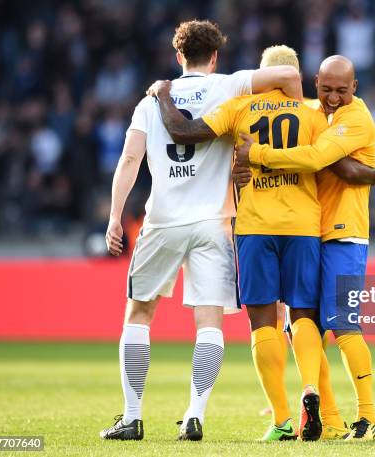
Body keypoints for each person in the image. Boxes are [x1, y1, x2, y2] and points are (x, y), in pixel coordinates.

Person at [100, 20, 304, 442]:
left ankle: (132, 416)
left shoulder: (151, 101)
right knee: (209, 323)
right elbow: (287, 74)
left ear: (179, 57)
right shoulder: (229, 85)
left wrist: (116, 216)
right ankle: (195, 414)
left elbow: (128, 161)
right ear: (215, 57)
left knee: (139, 315)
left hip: (162, 222)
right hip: (214, 223)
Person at [149, 45, 332, 442]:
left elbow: (184, 131)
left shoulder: (240, 108)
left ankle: (282, 419)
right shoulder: (315, 113)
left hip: (255, 226)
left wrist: (163, 93)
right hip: (303, 224)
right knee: (302, 316)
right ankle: (310, 390)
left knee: (262, 322)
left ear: (262, 75)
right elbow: (329, 164)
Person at [236, 55, 375, 441]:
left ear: (355, 88)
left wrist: (258, 156)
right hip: (312, 234)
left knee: (344, 327)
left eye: (342, 90)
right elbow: (340, 164)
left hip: (346, 235)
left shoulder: (357, 118)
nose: (333, 97)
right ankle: (332, 420)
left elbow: (320, 157)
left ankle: (370, 418)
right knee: (306, 331)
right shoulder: (311, 113)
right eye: (326, 89)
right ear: (315, 83)